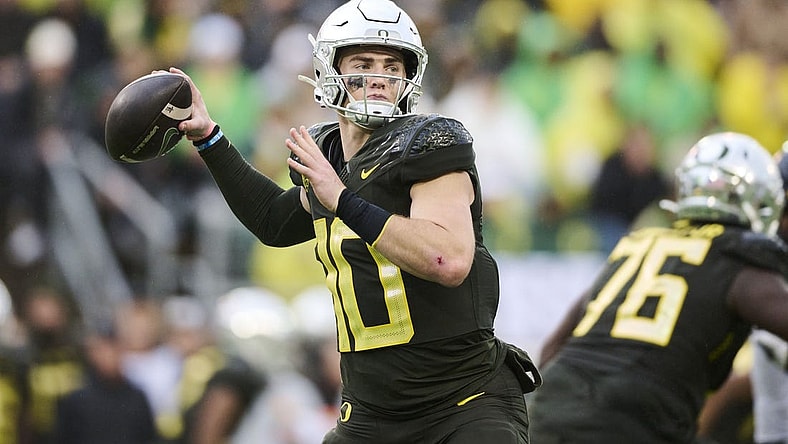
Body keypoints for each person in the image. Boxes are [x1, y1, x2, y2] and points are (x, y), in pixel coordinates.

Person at [164, 0, 540, 442]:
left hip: (463, 405)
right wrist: (209, 137)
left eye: (390, 64)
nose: (378, 77)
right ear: (329, 72)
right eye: (362, 63)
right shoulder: (329, 155)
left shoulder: (431, 143)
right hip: (369, 415)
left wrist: (341, 199)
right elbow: (273, 222)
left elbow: (449, 259)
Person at [529, 132, 788, 444]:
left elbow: (552, 348)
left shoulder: (640, 244)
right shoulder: (739, 265)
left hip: (549, 412)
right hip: (630, 423)